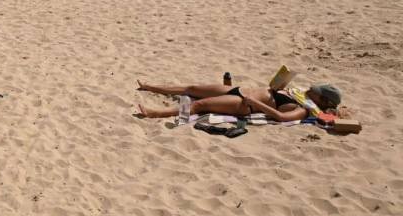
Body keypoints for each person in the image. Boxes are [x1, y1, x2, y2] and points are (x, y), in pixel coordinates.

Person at [135, 79, 342, 121]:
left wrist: (255, 103)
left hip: (245, 104)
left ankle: (156, 113)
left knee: (199, 105)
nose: (310, 91)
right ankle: (149, 86)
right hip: (241, 90)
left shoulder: (304, 108)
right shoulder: (301, 93)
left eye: (315, 92)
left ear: (321, 99)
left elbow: (280, 116)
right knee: (193, 88)